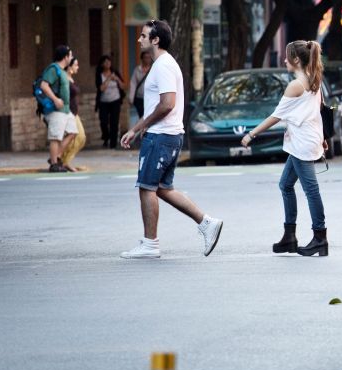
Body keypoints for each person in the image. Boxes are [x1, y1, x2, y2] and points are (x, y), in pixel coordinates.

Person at [119, 19, 223, 259]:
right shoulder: (163, 64)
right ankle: (206, 223)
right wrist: (140, 128)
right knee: (163, 189)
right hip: (168, 135)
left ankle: (150, 244)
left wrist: (139, 127)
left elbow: (167, 104)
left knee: (146, 188)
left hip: (162, 136)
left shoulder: (163, 65)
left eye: (144, 36)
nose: (139, 39)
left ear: (156, 40)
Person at [241, 40, 329, 256]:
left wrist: (252, 134)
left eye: (287, 56)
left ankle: (320, 238)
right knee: (286, 185)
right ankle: (289, 237)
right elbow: (317, 111)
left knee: (311, 190)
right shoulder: (313, 79)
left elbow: (276, 115)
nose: (284, 60)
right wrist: (323, 137)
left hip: (301, 142)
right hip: (306, 139)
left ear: (296, 60)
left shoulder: (296, 85)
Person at [39, 45, 77, 173]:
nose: (71, 57)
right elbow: (44, 85)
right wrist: (55, 99)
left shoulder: (62, 70)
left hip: (65, 110)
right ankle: (54, 164)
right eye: (70, 55)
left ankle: (55, 157)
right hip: (56, 110)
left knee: (73, 132)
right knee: (55, 137)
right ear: (65, 57)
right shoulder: (54, 69)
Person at [59, 57, 86, 172]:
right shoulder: (64, 78)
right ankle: (61, 160)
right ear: (69, 67)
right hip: (68, 113)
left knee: (80, 138)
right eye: (76, 65)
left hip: (74, 113)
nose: (78, 67)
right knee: (77, 137)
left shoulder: (70, 78)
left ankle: (64, 160)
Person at [95, 55, 125, 149]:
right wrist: (108, 79)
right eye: (105, 62)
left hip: (115, 100)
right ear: (102, 64)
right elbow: (101, 88)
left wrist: (117, 79)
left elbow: (123, 86)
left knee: (114, 122)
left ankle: (113, 143)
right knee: (103, 122)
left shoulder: (115, 73)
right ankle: (106, 137)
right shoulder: (99, 74)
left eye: (109, 62)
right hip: (103, 102)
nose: (107, 64)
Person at [128, 50, 153, 119]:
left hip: (151, 98)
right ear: (142, 59)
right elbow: (133, 84)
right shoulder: (137, 70)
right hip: (139, 98)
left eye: (149, 57)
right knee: (142, 116)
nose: (147, 59)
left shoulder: (154, 69)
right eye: (145, 57)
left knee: (149, 116)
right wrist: (131, 98)